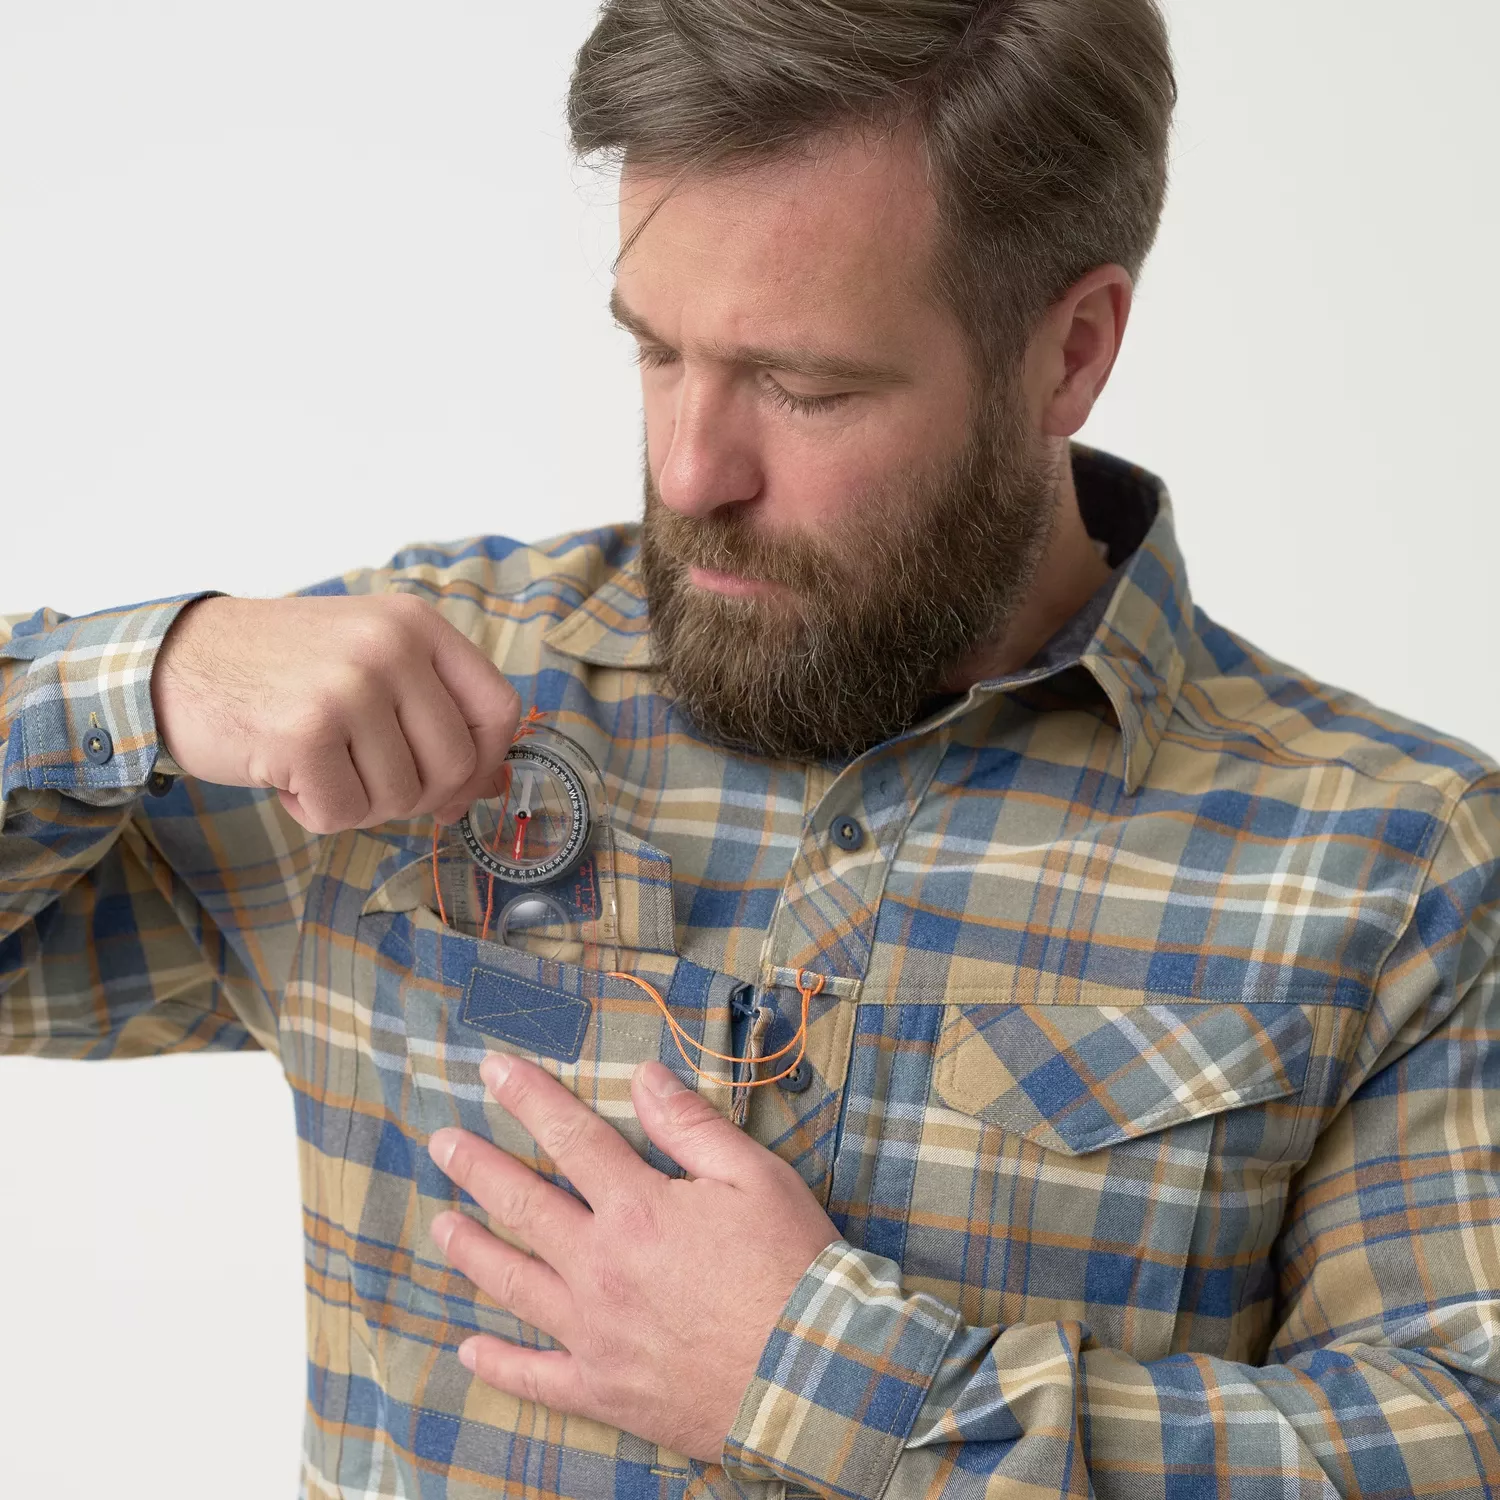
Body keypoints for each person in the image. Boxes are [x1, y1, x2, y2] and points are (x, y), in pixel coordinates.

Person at [3, 1, 1497, 1494]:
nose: (686, 469)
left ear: (1073, 351)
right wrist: (147, 677)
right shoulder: (428, 690)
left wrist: (829, 1385)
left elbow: (1461, 1439)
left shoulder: (1401, 865)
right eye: (655, 352)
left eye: (805, 385)